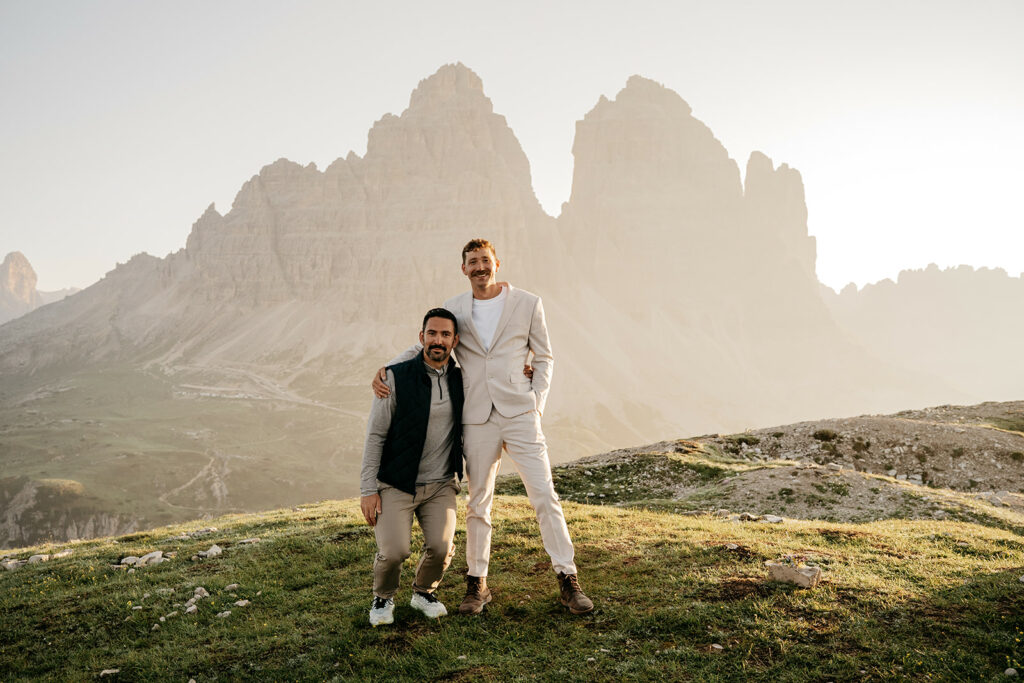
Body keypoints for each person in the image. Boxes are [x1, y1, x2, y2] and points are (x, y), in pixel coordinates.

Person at [373, 239, 593, 615]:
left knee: (544, 496)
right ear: (464, 268)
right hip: (476, 418)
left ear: (497, 264)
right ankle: (477, 584)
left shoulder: (528, 303)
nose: (479, 267)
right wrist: (387, 369)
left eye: (485, 261)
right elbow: (428, 342)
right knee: (478, 504)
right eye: (472, 262)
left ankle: (568, 578)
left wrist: (536, 403)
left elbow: (544, 356)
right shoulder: (456, 308)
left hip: (521, 415)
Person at [360, 308, 464, 627]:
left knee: (442, 546)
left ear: (455, 341)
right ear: (421, 338)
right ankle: (384, 597)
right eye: (431, 334)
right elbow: (375, 434)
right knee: (394, 551)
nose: (438, 340)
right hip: (396, 483)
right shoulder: (395, 377)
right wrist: (368, 490)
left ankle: (423, 593)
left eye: (445, 335)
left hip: (441, 484)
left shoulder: (462, 378)